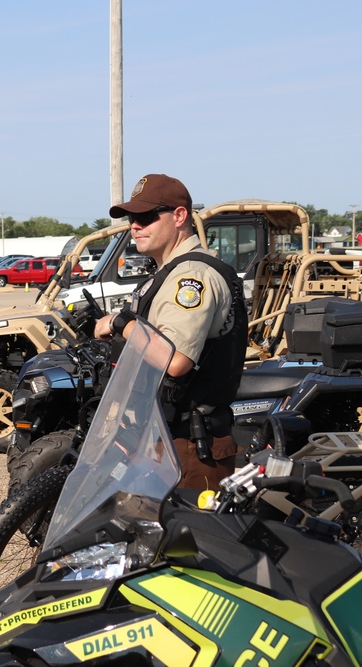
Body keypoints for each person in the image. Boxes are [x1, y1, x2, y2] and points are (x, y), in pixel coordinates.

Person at [94, 174, 247, 490]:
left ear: (179, 216)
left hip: (188, 447)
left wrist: (122, 323)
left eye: (147, 216)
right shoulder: (171, 272)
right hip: (165, 437)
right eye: (132, 217)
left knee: (189, 539)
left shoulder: (191, 277)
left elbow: (176, 361)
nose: (135, 225)